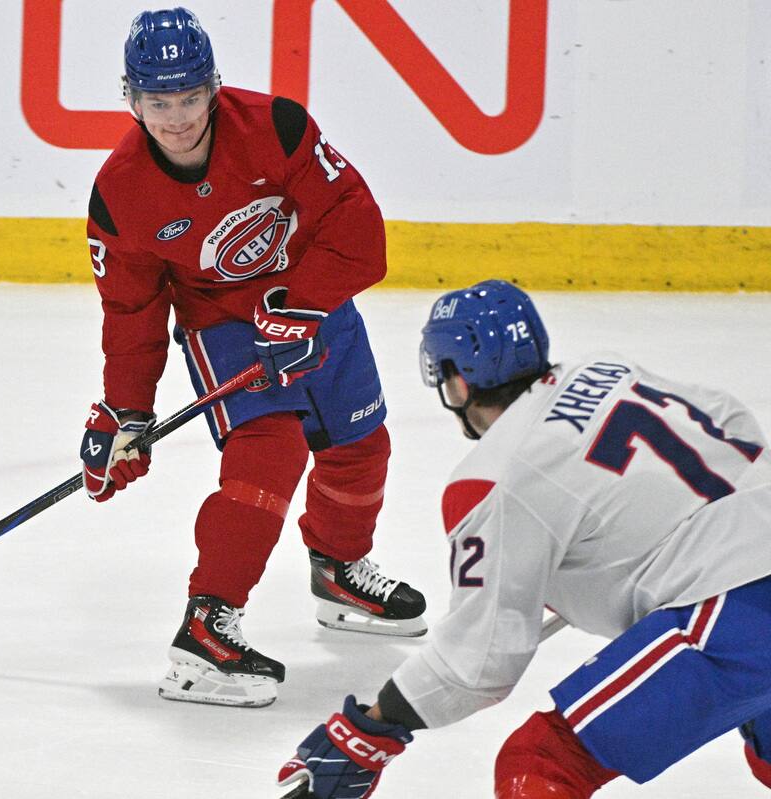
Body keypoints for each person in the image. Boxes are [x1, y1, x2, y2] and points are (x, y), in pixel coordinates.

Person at [276, 279, 771, 797]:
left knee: (541, 762)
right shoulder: (606, 369)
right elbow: (730, 416)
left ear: (457, 381)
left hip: (738, 611)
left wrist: (369, 731)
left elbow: (479, 661)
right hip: (747, 580)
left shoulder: (494, 480)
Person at [76, 6, 427, 709]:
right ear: (131, 99)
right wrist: (127, 411)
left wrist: (305, 302)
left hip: (312, 298)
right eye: (158, 102)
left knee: (361, 442)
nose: (177, 118)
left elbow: (356, 220)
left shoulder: (277, 126)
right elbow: (132, 313)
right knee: (269, 452)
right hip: (223, 324)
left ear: (213, 86)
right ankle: (207, 626)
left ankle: (338, 570)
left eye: (189, 97)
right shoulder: (120, 194)